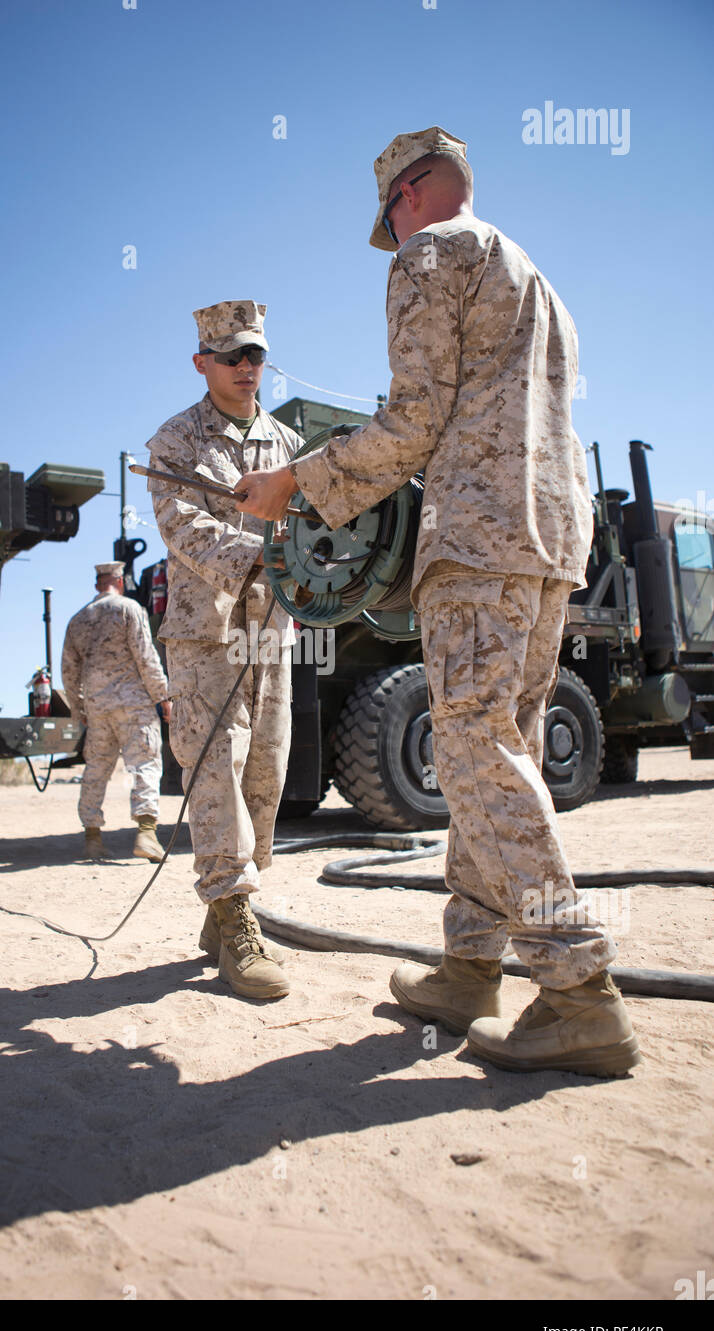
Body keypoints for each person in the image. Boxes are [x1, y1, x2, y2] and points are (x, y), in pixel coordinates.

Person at [233, 128, 641, 1076]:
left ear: (409, 192)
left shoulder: (431, 252)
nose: (391, 229)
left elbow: (415, 418)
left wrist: (293, 484)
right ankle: (470, 965)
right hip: (547, 536)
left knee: (474, 744)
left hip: (478, 534)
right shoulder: (535, 276)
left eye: (389, 213)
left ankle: (578, 990)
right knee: (498, 746)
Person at [145, 300, 303, 1001]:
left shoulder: (289, 443)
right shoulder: (174, 441)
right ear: (201, 361)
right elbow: (184, 528)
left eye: (256, 355)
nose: (246, 368)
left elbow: (315, 519)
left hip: (272, 630)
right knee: (215, 765)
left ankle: (229, 899)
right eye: (233, 355)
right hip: (204, 631)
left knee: (266, 772)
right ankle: (235, 912)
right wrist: (268, 556)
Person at [62, 561, 171, 862]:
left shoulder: (77, 620)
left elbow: (69, 671)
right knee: (145, 764)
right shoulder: (129, 609)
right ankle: (147, 835)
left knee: (96, 770)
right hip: (133, 704)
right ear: (120, 582)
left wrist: (78, 707)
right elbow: (146, 656)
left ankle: (92, 838)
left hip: (97, 709)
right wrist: (163, 696)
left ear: (98, 584)